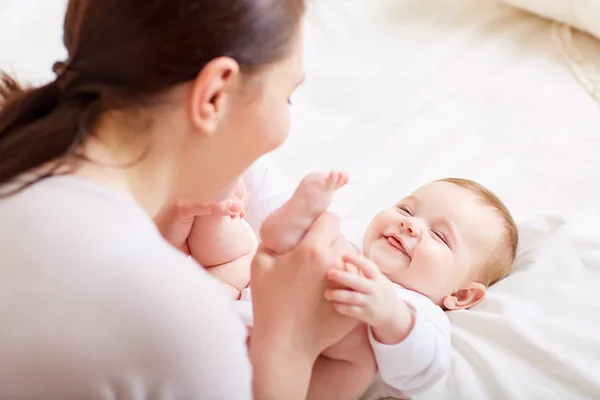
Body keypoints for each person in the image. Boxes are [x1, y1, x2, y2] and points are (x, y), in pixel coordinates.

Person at [0, 0, 374, 398]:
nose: (284, 126)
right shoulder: (182, 324)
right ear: (215, 94)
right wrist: (290, 345)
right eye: (287, 97)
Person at [227, 174, 518, 399]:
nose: (410, 225)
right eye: (406, 209)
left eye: (440, 236)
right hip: (231, 321)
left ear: (461, 295)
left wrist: (390, 315)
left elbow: (423, 370)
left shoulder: (416, 310)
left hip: (275, 383)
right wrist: (249, 167)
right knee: (250, 237)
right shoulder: (344, 250)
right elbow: (271, 201)